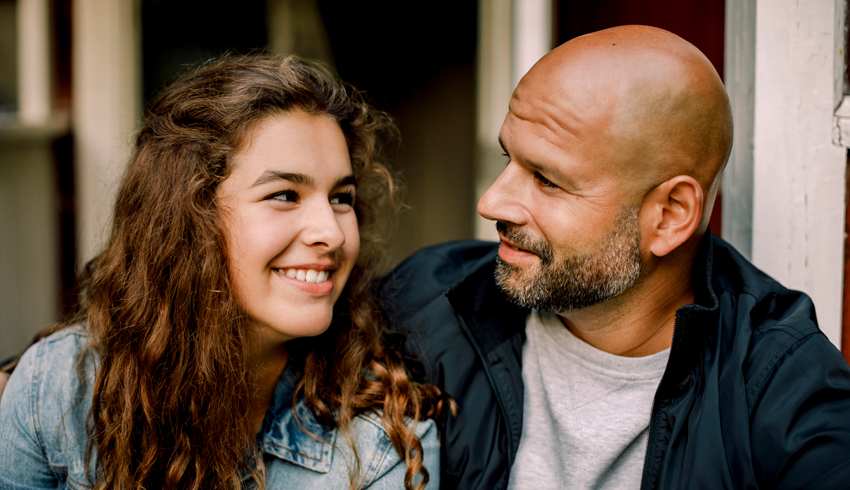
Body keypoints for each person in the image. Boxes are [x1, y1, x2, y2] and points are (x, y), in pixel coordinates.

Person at [380, 25, 850, 490]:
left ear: (669, 215)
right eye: (509, 159)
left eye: (546, 179)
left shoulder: (781, 388)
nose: (492, 203)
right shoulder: (422, 303)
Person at [0, 54, 443, 490]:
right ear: (189, 219)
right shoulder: (56, 389)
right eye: (285, 195)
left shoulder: (384, 443)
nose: (332, 232)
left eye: (341, 198)